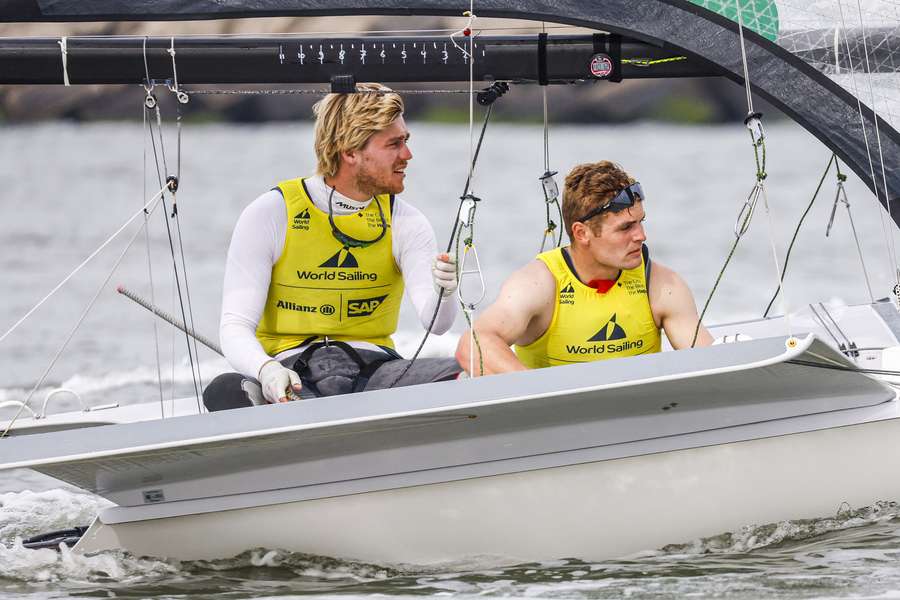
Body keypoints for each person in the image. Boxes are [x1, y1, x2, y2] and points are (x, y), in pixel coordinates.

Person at [204, 83, 460, 410]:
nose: (407, 155)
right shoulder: (270, 213)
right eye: (395, 144)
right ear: (350, 151)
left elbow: (437, 324)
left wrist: (446, 291)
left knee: (474, 367)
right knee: (223, 390)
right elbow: (235, 326)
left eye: (406, 141)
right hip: (291, 373)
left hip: (378, 374)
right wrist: (266, 370)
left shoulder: (407, 221)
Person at [455, 160, 713, 375]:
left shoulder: (661, 284)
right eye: (625, 227)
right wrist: (540, 397)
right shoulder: (539, 284)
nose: (641, 236)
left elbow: (707, 361)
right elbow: (473, 345)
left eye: (640, 223)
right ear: (582, 233)